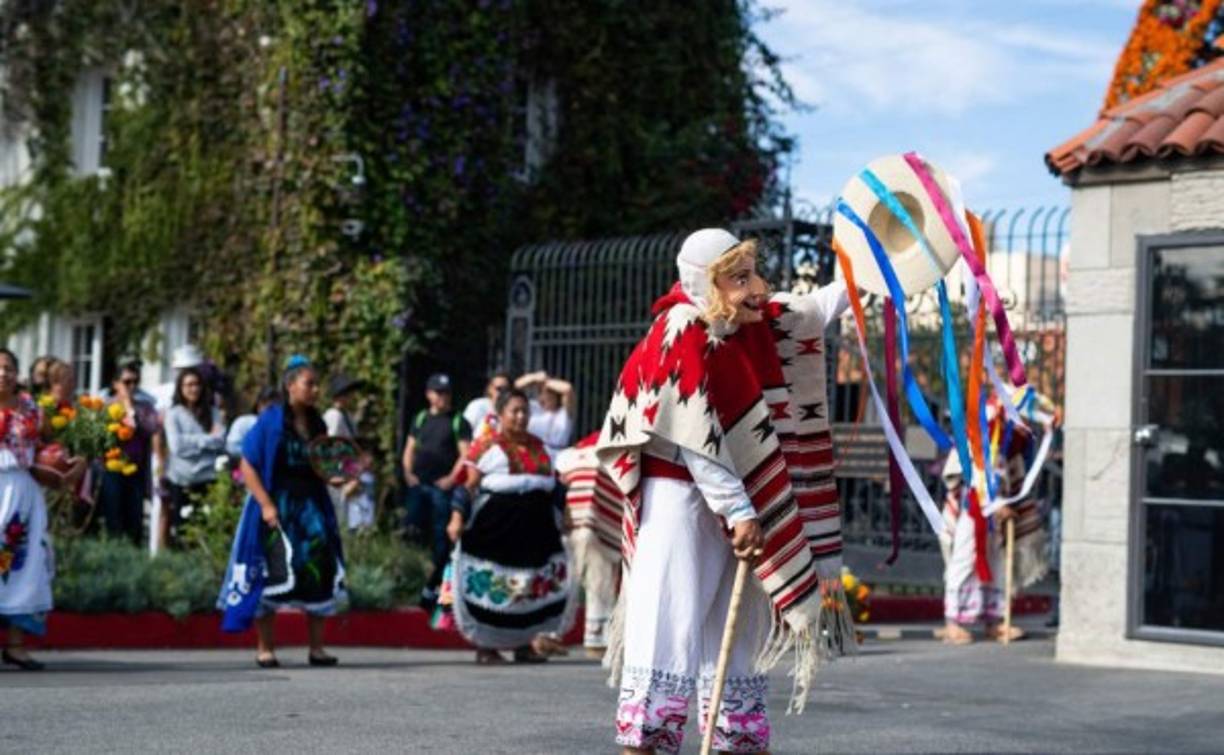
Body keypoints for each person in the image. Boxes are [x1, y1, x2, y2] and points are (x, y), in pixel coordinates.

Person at [597, 228, 853, 754]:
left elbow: (817, 308)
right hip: (680, 504)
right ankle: (645, 743)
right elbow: (691, 432)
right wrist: (737, 507)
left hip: (738, 508)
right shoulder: (680, 327)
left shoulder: (746, 325)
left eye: (754, 273)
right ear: (706, 283)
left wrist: (872, 263)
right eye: (740, 278)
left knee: (737, 640)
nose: (757, 287)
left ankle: (734, 740)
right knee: (668, 629)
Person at [218, 356, 346, 667]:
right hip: (277, 504)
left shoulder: (318, 422)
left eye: (317, 384)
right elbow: (248, 465)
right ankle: (266, 648)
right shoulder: (270, 421)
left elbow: (322, 464)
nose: (316, 390)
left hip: (311, 508)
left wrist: (338, 474)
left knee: (319, 570)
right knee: (272, 572)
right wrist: (265, 505)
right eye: (309, 384)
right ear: (291, 386)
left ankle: (317, 649)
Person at [445, 388, 574, 664]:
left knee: (528, 587)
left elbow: (557, 486)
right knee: (497, 588)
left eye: (525, 411)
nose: (520, 416)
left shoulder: (541, 447)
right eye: (514, 411)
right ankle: (486, 647)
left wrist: (566, 514)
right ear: (500, 414)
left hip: (535, 532)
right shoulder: (485, 447)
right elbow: (467, 487)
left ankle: (524, 644)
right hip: (495, 532)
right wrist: (456, 518)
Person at [0, 348, 85, 670]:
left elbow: (49, 449)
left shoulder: (32, 410)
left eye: (8, 368)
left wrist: (70, 465)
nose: (3, 374)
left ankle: (16, 645)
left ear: (17, 373)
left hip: (22, 494)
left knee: (25, 564)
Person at [940, 397, 1049, 645]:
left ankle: (996, 619)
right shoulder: (972, 440)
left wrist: (1003, 504)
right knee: (965, 560)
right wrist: (992, 505)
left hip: (997, 516)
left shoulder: (1003, 446)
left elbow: (1007, 475)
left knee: (997, 562)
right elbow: (966, 478)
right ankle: (952, 623)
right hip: (972, 513)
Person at [402, 373, 472, 608]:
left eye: (446, 393)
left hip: (442, 487)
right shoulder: (421, 418)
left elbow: (465, 454)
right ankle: (410, 576)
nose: (443, 397)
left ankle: (436, 584)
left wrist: (451, 479)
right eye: (438, 392)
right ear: (429, 394)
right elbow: (409, 448)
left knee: (441, 535)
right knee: (411, 527)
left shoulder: (458, 421)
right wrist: (408, 473)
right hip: (419, 483)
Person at [555, 432, 624, 656]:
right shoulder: (608, 452)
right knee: (597, 580)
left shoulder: (568, 456)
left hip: (576, 526)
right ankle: (597, 638)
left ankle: (555, 634)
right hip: (597, 527)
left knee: (569, 580)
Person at [98, 361, 159, 546]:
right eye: (127, 382)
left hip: (135, 468)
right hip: (111, 468)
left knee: (134, 518)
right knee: (113, 516)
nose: (131, 386)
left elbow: (151, 428)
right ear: (116, 383)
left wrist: (130, 408)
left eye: (135, 382)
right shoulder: (105, 406)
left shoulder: (144, 407)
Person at [163, 367, 225, 544]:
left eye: (197, 384)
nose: (194, 388)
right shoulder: (173, 414)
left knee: (208, 530)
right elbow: (176, 446)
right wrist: (206, 440)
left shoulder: (212, 412)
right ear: (181, 388)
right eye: (189, 384)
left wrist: (190, 441)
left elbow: (220, 441)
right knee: (183, 532)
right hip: (182, 479)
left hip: (208, 477)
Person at [323, 374, 374, 531]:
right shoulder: (334, 416)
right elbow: (330, 447)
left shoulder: (347, 416)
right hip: (337, 475)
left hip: (348, 472)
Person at [517, 370, 575, 463]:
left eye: (549, 394)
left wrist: (546, 381)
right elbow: (512, 390)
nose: (543, 398)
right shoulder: (532, 407)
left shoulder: (564, 413)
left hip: (557, 457)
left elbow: (567, 389)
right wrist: (533, 378)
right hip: (532, 453)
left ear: (557, 396)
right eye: (540, 393)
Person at [226, 387, 279, 460]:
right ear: (259, 406)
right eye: (269, 407)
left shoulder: (280, 427)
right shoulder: (244, 423)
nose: (273, 412)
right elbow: (232, 447)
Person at [461, 370, 512, 441]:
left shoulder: (513, 412)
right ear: (490, 389)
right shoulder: (477, 406)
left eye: (506, 389)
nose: (502, 393)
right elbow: (463, 434)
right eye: (499, 389)